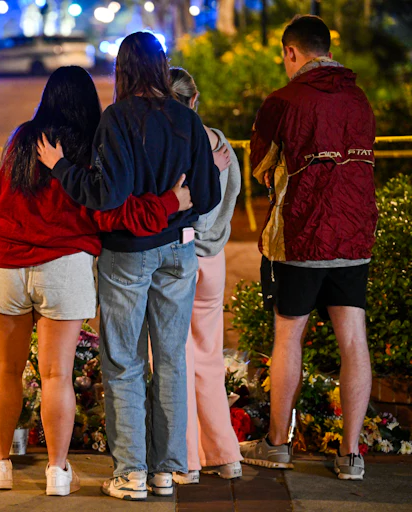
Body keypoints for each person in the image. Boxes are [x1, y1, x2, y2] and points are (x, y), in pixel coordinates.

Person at [0, 66, 194, 497]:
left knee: (5, 370)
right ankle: (57, 473)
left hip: (5, 260)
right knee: (57, 374)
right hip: (65, 263)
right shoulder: (94, 142)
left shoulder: (24, 138)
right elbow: (108, 209)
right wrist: (170, 202)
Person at [37, 33, 222, 499]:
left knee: (124, 362)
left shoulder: (117, 119)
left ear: (122, 70)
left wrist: (60, 169)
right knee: (172, 361)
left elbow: (106, 194)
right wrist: (175, 205)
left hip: (127, 254)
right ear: (161, 67)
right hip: (179, 253)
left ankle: (131, 473)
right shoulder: (186, 118)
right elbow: (210, 194)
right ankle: (168, 469)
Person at [239, 15, 376, 482]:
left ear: (292, 52)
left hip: (303, 237)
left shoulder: (283, 100)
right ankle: (351, 455)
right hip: (355, 236)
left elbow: (261, 166)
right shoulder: (359, 99)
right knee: (353, 340)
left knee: (288, 336)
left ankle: (277, 444)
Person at [169, 67, 243, 485]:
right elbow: (227, 198)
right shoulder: (220, 142)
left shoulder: (172, 144)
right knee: (210, 358)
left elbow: (181, 205)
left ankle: (187, 459)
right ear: (194, 100)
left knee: (175, 358)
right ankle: (225, 454)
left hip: (179, 258)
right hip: (214, 259)